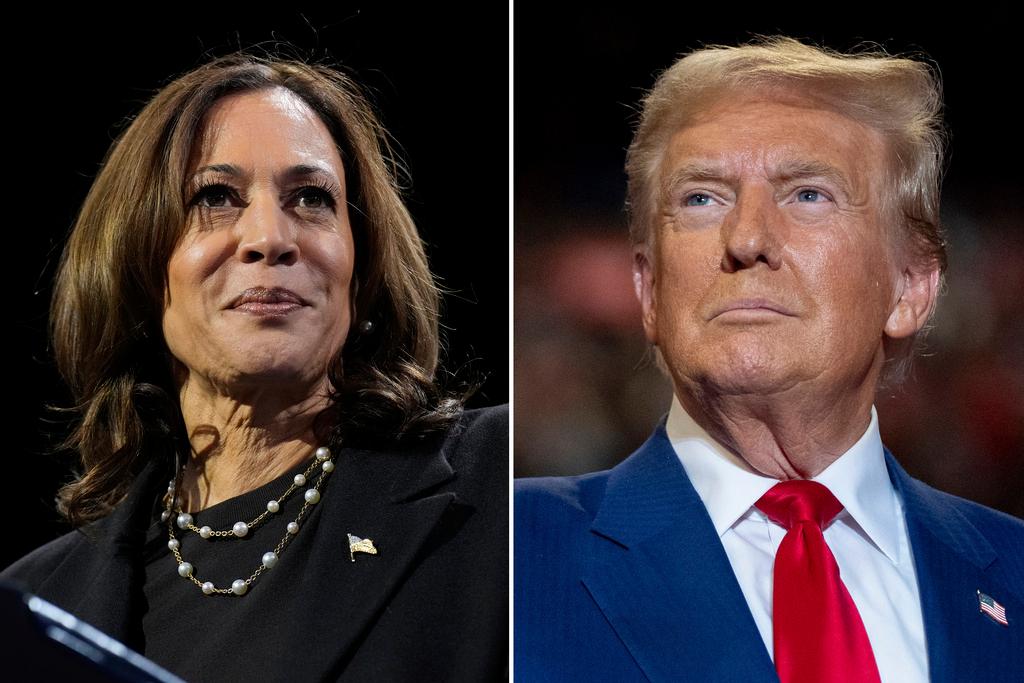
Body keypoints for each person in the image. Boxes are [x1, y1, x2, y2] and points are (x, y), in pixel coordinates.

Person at [515, 37, 1023, 682]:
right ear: (648, 290)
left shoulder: (1013, 574)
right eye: (702, 199)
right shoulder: (506, 552)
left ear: (910, 286)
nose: (747, 239)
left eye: (808, 194)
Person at [1, 51, 507, 682]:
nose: (269, 236)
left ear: (362, 266)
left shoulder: (499, 484)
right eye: (215, 197)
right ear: (136, 262)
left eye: (311, 198)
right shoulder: (34, 612)